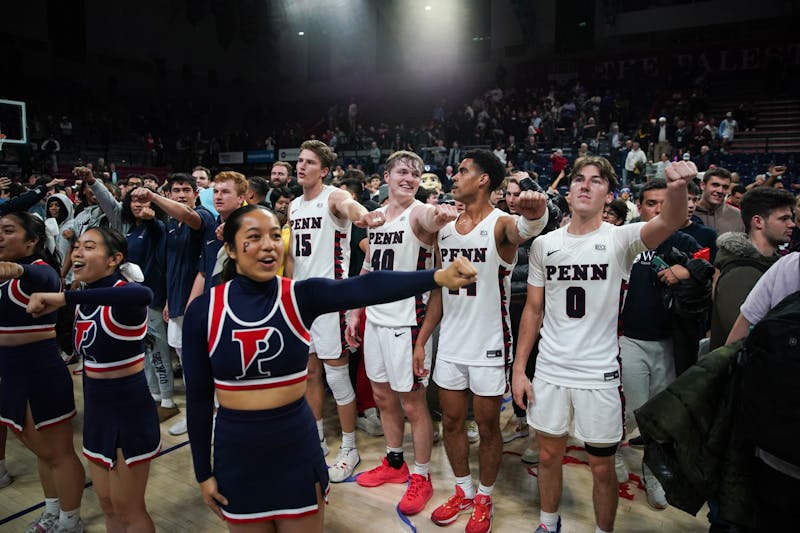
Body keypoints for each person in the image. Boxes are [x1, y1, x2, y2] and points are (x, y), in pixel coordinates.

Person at [181, 204, 477, 531]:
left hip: (295, 445)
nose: (269, 245)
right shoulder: (204, 310)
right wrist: (202, 472)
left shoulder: (299, 296)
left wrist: (436, 276)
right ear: (231, 250)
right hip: (236, 452)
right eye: (254, 237)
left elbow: (367, 286)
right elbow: (197, 399)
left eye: (274, 236)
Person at [512, 156, 695, 533]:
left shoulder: (620, 238)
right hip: (550, 369)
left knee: (601, 466)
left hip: (599, 373)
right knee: (548, 456)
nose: (584, 185)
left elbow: (671, 220)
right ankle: (549, 523)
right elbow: (532, 311)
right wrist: (518, 370)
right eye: (578, 179)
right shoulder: (544, 245)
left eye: (596, 181)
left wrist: (677, 190)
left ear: (608, 195)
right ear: (569, 188)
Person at [414, 149, 550, 533]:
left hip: (490, 343)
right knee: (452, 422)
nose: (453, 177)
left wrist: (536, 211)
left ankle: (485, 498)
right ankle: (463, 490)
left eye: (462, 171)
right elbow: (439, 291)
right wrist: (423, 340)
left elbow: (527, 229)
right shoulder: (444, 228)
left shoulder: (500, 224)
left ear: (483, 179)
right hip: (451, 344)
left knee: (489, 427)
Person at [344, 150, 458, 515]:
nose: (409, 178)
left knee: (412, 403)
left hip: (408, 322)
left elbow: (432, 215)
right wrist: (353, 314)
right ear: (387, 177)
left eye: (415, 174)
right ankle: (395, 464)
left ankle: (421, 475)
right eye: (402, 172)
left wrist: (439, 215)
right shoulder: (375, 219)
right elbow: (367, 271)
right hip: (376, 320)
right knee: (381, 396)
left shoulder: (420, 214)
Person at [27, 227, 160, 532]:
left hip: (129, 413)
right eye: (76, 247)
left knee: (130, 510)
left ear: (114, 259)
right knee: (108, 506)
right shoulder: (83, 297)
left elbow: (144, 294)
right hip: (97, 413)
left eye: (89, 247)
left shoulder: (125, 295)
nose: (77, 253)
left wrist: (64, 297)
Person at [283, 140, 384, 482]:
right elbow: (293, 258)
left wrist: (365, 216)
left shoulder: (334, 197)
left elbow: (352, 207)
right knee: (310, 373)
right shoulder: (294, 205)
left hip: (331, 301)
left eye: (309, 162)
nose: (301, 166)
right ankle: (316, 438)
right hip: (301, 300)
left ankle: (350, 449)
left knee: (337, 378)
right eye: (299, 161)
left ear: (324, 170)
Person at [0, 211, 85, 533]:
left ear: (32, 241)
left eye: (9, 231)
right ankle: (53, 512)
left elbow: (46, 280)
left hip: (39, 372)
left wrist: (18, 269)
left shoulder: (38, 271)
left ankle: (71, 521)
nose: (0, 236)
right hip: (11, 372)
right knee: (40, 450)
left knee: (58, 452)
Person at [130, 174, 217, 436]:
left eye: (186, 190)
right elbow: (171, 267)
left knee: (204, 363)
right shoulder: (170, 224)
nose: (181, 194)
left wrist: (153, 196)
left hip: (199, 303)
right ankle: (196, 414)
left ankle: (214, 415)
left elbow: (189, 216)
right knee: (185, 360)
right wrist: (169, 300)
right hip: (176, 302)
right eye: (176, 190)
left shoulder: (202, 216)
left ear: (196, 194)